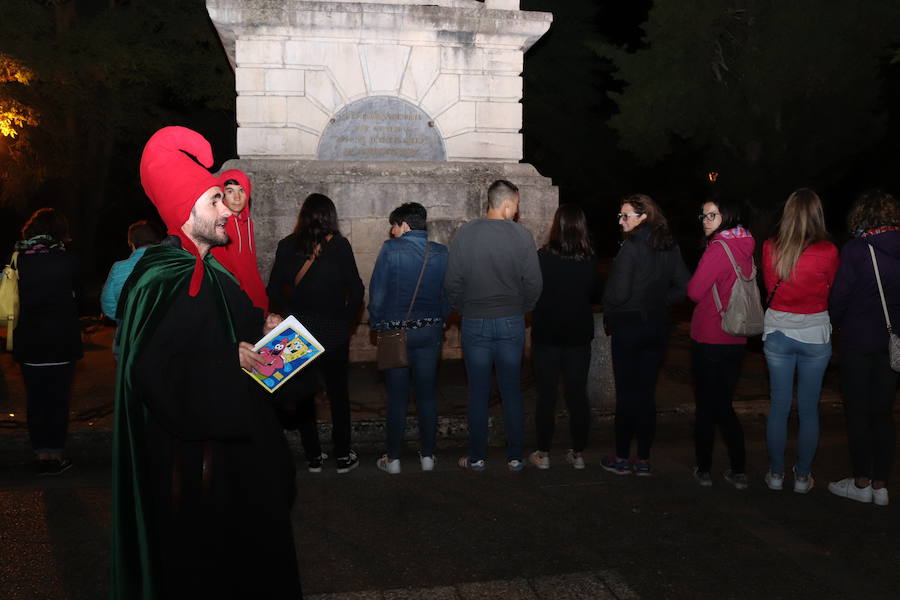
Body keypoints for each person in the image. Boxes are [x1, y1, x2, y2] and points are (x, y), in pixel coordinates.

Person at [111, 126, 301, 599]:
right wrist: (227, 356)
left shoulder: (215, 271)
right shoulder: (157, 278)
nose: (227, 210)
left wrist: (265, 331)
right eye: (215, 200)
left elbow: (231, 332)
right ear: (185, 211)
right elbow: (152, 373)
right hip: (195, 467)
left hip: (240, 450)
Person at [444, 179, 542, 472]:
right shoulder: (522, 236)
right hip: (511, 322)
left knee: (478, 391)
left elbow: (451, 283)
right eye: (517, 205)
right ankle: (514, 457)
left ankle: (477, 457)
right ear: (508, 203)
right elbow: (534, 284)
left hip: (475, 323)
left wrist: (465, 309)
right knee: (511, 390)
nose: (517, 211)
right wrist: (520, 309)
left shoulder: (465, 234)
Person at [267, 193, 365, 474]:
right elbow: (356, 289)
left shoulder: (286, 246)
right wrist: (347, 321)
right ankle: (343, 455)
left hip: (299, 333)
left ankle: (313, 456)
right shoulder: (341, 246)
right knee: (338, 394)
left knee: (304, 394)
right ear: (330, 216)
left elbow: (272, 290)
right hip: (334, 331)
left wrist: (289, 317)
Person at [601, 194, 689, 477]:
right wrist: (661, 301)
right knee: (646, 394)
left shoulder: (632, 248)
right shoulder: (669, 245)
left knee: (627, 394)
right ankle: (644, 458)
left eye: (626, 215)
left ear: (643, 217)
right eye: (620, 215)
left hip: (629, 327)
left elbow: (619, 293)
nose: (621, 220)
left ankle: (622, 457)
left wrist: (609, 302)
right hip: (656, 327)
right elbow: (685, 286)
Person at [761, 188, 838, 494]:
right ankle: (803, 477)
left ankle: (777, 474)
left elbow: (769, 286)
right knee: (808, 408)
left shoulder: (770, 247)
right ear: (817, 214)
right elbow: (830, 288)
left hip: (778, 331)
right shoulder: (829, 251)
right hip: (815, 334)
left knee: (779, 406)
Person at [828, 190, 900, 506]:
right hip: (893, 342)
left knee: (858, 413)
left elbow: (839, 297)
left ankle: (861, 482)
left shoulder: (857, 250)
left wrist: (836, 322)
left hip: (857, 341)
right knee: (883, 413)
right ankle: (881, 485)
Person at [368, 202, 450, 474]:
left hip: (396, 333)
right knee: (427, 396)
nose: (391, 232)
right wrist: (440, 318)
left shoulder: (391, 249)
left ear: (404, 224)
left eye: (393, 225)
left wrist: (377, 323)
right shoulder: (441, 252)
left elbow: (378, 293)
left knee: (397, 398)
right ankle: (427, 456)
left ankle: (393, 460)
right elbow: (449, 294)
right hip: (430, 332)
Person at [686, 198, 753, 489]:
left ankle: (703, 468)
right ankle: (738, 469)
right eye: (703, 214)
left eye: (712, 214)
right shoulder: (748, 244)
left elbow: (694, 291)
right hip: (736, 335)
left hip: (710, 335)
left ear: (727, 216)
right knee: (724, 403)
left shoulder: (718, 249)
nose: (705, 219)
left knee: (707, 406)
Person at [12, 208, 83, 475]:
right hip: (61, 340)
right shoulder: (68, 259)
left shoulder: (16, 259)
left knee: (36, 399)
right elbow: (80, 297)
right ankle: (56, 454)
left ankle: (41, 455)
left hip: (29, 340)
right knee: (58, 400)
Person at [528, 204, 599, 470]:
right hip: (578, 334)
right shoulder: (590, 259)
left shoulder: (542, 257)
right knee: (577, 394)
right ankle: (578, 453)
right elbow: (592, 294)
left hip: (547, 333)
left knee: (546, 395)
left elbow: (533, 291)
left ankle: (543, 453)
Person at [210, 168, 269, 313]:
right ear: (222, 194)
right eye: (230, 191)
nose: (237, 197)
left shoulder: (247, 223)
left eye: (241, 190)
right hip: (234, 302)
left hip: (256, 299)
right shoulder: (218, 225)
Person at [100, 220, 163, 356]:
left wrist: (126, 318)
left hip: (128, 341)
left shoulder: (118, 268)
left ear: (132, 244)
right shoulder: (171, 266)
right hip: (163, 340)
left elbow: (108, 306)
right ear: (158, 241)